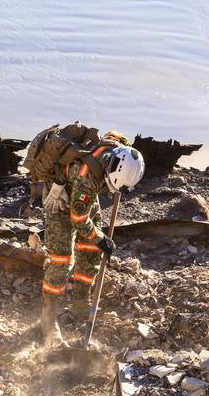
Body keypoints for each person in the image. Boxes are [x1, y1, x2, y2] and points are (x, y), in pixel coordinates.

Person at [39, 133, 144, 345]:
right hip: (60, 199)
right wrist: (101, 238)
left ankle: (79, 301)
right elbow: (78, 219)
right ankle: (48, 316)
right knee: (62, 260)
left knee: (91, 249)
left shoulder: (118, 148)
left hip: (82, 194)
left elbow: (115, 134)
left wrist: (96, 242)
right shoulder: (87, 177)